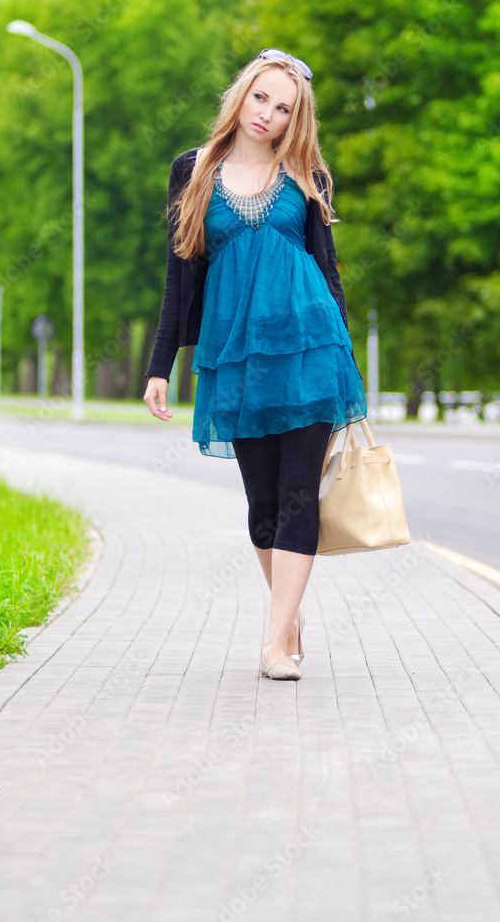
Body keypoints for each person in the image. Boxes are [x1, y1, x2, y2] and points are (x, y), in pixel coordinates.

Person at [143, 48, 367, 680]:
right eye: (261, 97)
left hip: (309, 349)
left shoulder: (307, 175)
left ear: (298, 119)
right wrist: (160, 366)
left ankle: (274, 645)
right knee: (262, 506)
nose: (268, 113)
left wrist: (346, 358)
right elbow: (178, 276)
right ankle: (287, 621)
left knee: (300, 497)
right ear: (241, 95)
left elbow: (328, 272)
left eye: (284, 106)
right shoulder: (193, 172)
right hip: (235, 358)